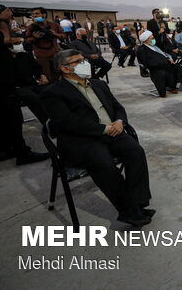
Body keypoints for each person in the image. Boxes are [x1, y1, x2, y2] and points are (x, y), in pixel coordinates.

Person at [41, 49, 153, 226]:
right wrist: (104, 129)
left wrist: (119, 121)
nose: (85, 63)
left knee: (135, 152)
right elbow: (67, 123)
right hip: (83, 139)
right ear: (65, 69)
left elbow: (117, 107)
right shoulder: (53, 92)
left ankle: (137, 203)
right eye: (78, 61)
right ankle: (128, 211)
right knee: (104, 164)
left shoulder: (98, 84)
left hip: (113, 131)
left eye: (83, 59)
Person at [0, 6, 50, 165]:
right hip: (6, 87)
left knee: (7, 118)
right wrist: (3, 21)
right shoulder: (3, 28)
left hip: (11, 84)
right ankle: (21, 153)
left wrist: (41, 74)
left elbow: (36, 67)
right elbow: (5, 40)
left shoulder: (23, 57)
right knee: (13, 117)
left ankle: (7, 148)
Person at [11, 36, 49, 124]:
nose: (19, 45)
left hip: (32, 84)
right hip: (17, 89)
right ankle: (49, 125)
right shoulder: (5, 60)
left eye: (19, 43)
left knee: (51, 91)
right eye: (16, 44)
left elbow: (37, 68)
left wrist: (42, 75)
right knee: (33, 98)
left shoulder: (25, 56)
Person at [137, 30, 182, 97]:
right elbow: (147, 62)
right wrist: (162, 63)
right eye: (152, 38)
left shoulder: (155, 46)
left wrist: (169, 58)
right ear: (146, 40)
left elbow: (164, 54)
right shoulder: (142, 49)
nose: (153, 39)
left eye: (153, 38)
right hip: (155, 68)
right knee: (162, 73)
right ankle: (163, 90)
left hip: (166, 64)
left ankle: (172, 87)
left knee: (179, 68)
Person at [25, 7, 66, 82]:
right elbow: (27, 40)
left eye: (37, 13)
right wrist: (35, 38)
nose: (34, 16)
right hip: (42, 56)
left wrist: (55, 34)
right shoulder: (31, 27)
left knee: (59, 76)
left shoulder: (54, 25)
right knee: (48, 78)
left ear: (44, 14)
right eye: (33, 14)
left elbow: (63, 35)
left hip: (55, 54)